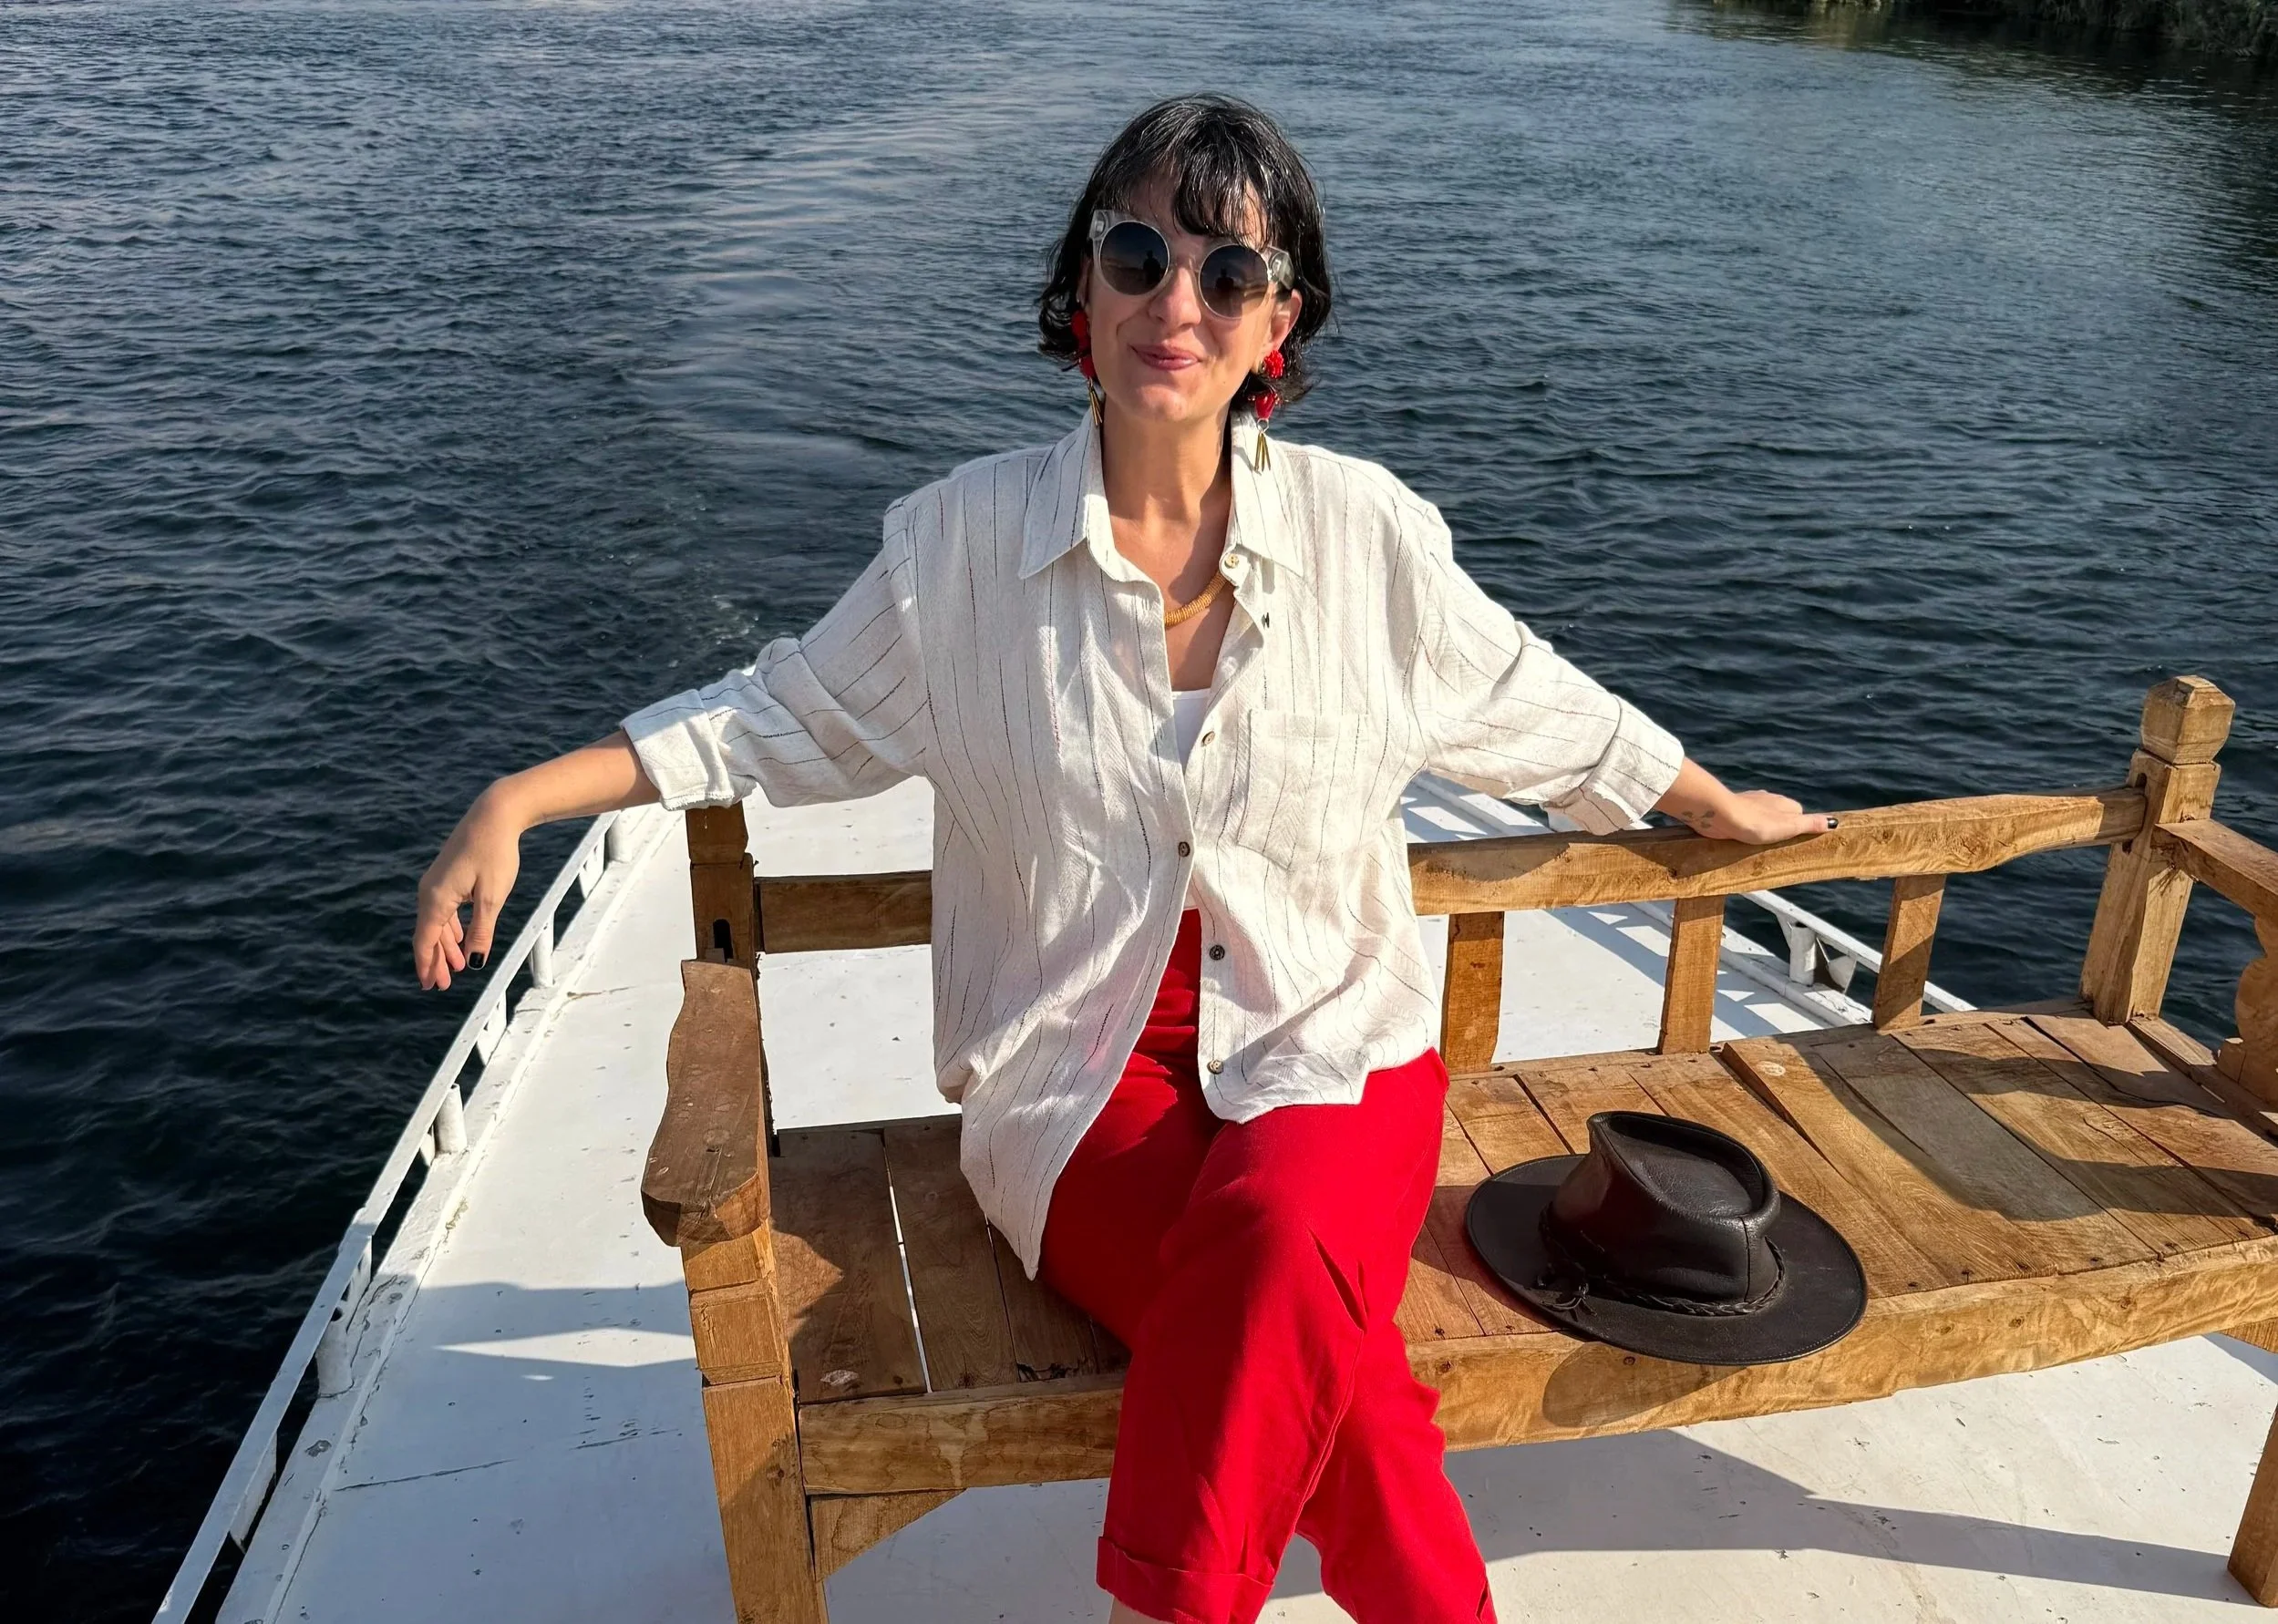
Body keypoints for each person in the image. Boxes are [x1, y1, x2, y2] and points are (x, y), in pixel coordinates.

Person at [412, 93, 1830, 1624]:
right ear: (1077, 290)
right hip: (1077, 1091)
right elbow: (778, 717)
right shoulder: (959, 549)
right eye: (1140, 254)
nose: (1178, 303)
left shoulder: (1368, 537)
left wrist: (1697, 795)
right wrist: (521, 793)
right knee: (1328, 1366)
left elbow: (1527, 700)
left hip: (1329, 1042)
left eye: (1230, 274)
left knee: (1285, 1232)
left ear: (1278, 320)